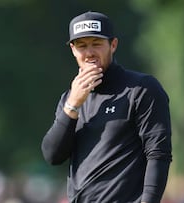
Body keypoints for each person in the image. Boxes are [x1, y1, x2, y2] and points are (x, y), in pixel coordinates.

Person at [41, 11, 172, 203]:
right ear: (73, 50)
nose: (89, 53)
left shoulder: (141, 89)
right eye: (82, 46)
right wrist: (73, 105)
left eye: (96, 44)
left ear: (113, 45)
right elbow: (53, 155)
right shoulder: (70, 99)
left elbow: (158, 154)